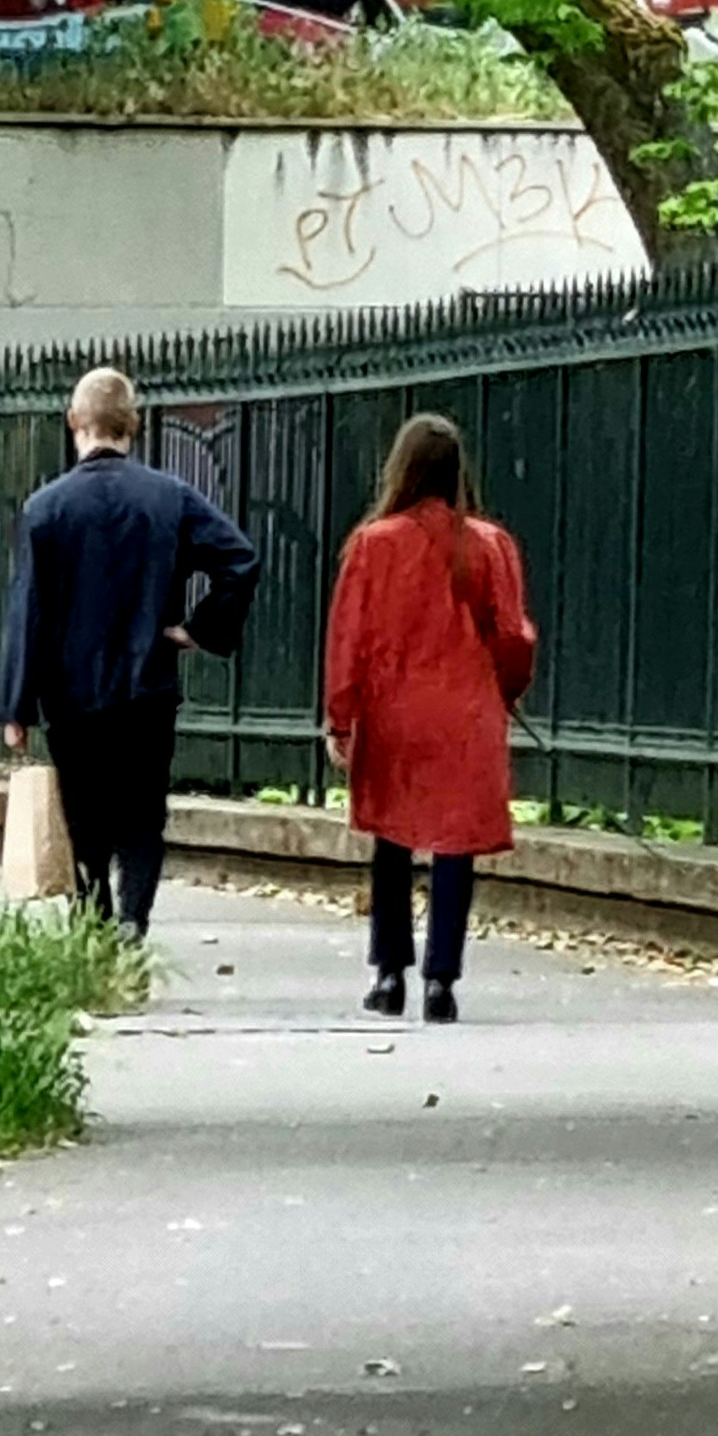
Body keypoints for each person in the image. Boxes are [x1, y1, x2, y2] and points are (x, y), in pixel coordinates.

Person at [0, 365, 259, 939]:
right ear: (133, 425)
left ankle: (93, 918)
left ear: (74, 422)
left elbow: (29, 610)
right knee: (143, 812)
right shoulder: (169, 498)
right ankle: (135, 917)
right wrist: (198, 629)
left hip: (71, 691)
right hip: (147, 682)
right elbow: (240, 560)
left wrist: (15, 705)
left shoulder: (45, 508)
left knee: (84, 815)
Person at [323, 412, 536, 1023]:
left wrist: (342, 718)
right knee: (455, 846)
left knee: (392, 840)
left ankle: (389, 974)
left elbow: (349, 640)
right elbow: (514, 637)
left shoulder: (373, 544)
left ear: (400, 468)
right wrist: (505, 692)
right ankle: (442, 981)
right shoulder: (491, 545)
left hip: (395, 712)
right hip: (465, 711)